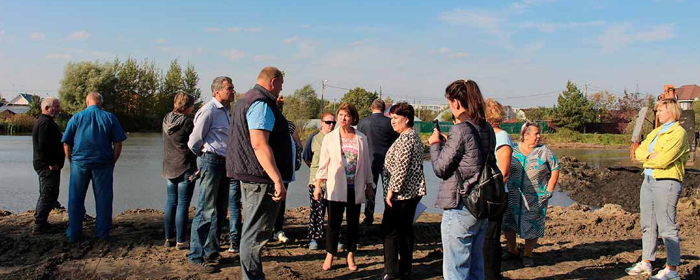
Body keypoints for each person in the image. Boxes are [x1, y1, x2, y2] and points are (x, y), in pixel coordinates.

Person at [227, 66, 292, 280]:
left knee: (252, 231)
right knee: (254, 235)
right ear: (272, 82)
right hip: (259, 179)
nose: (281, 89)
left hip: (252, 176)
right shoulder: (261, 104)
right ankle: (252, 277)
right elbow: (259, 144)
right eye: (281, 84)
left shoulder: (246, 99)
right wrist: (276, 179)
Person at [429, 80, 494, 279]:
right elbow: (473, 157)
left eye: (449, 103)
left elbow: (440, 168)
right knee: (475, 267)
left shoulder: (459, 129)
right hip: (481, 204)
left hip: (460, 204)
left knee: (456, 270)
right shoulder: (487, 127)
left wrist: (434, 145)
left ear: (456, 102)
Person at [626, 99, 688, 280]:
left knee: (667, 227)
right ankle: (647, 262)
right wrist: (649, 156)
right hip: (648, 179)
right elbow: (638, 152)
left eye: (660, 110)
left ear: (671, 111)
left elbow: (663, 161)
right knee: (648, 224)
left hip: (667, 182)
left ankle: (672, 270)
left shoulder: (679, 133)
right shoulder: (656, 132)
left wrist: (649, 157)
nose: (658, 114)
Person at [314, 103, 374, 271]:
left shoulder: (361, 138)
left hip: (355, 187)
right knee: (333, 223)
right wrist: (318, 184)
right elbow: (323, 163)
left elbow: (367, 164)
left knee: (353, 223)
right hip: (336, 186)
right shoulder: (330, 138)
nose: (343, 118)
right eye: (340, 115)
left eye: (346, 115)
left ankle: (350, 254)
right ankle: (330, 254)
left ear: (353, 118)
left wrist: (369, 184)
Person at [62, 92, 127, 242]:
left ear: (87, 102)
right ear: (101, 103)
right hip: (103, 163)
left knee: (75, 199)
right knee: (104, 199)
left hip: (79, 163)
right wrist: (113, 161)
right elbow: (118, 143)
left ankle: (74, 233)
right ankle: (102, 233)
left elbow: (66, 143)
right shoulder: (109, 117)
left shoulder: (77, 117)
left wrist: (71, 161)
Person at [187, 76, 236, 272]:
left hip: (224, 163)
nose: (233, 91)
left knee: (219, 210)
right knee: (205, 210)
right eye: (229, 88)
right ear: (217, 92)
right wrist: (204, 157)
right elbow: (193, 142)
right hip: (211, 161)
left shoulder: (226, 111)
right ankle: (196, 256)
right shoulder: (208, 111)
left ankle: (212, 252)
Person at [502, 121, 560, 268]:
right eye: (536, 133)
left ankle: (528, 254)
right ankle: (512, 250)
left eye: (539, 133)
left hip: (536, 195)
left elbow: (555, 168)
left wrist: (549, 189)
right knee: (509, 223)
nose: (539, 136)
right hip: (513, 194)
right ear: (525, 135)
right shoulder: (513, 149)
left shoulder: (544, 151)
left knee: (533, 224)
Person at [380, 102, 426, 280]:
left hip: (402, 195)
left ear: (406, 119)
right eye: (391, 118)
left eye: (396, 118)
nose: (392, 122)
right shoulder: (410, 136)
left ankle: (391, 272)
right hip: (409, 193)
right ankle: (405, 269)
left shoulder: (407, 138)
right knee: (405, 232)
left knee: (390, 232)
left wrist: (391, 191)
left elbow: (401, 168)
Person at [162, 92, 197, 250]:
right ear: (187, 106)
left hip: (169, 166)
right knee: (183, 204)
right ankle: (181, 240)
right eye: (192, 106)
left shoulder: (166, 118)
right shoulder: (188, 122)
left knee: (171, 202)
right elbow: (195, 143)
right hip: (185, 166)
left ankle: (169, 237)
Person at [483, 99, 513, 280]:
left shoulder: (501, 136)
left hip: (495, 195)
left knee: (491, 238)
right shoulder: (484, 134)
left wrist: (490, 193)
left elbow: (504, 172)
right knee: (484, 237)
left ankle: (492, 275)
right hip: (483, 195)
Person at [357, 99, 399, 226]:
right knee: (388, 191)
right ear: (384, 109)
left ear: (371, 108)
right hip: (388, 161)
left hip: (370, 161)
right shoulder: (390, 122)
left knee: (370, 191)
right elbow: (396, 142)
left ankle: (368, 218)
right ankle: (389, 218)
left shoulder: (363, 123)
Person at [270, 95, 303, 244]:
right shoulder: (287, 125)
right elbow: (299, 146)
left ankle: (275, 230)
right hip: (276, 168)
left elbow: (298, 146)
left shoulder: (286, 125)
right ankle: (275, 229)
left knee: (275, 200)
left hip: (280, 169)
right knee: (277, 200)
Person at [302, 112, 336, 250]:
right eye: (328, 122)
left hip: (334, 182)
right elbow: (306, 157)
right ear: (321, 123)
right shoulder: (314, 139)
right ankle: (314, 238)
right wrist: (316, 172)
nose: (331, 125)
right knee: (316, 211)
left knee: (334, 213)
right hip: (316, 182)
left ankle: (333, 239)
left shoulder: (337, 138)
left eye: (333, 123)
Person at [31, 97, 65, 234]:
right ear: (46, 108)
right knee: (48, 193)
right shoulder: (45, 123)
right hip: (47, 166)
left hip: (46, 164)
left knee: (48, 193)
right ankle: (39, 224)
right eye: (55, 107)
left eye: (58, 106)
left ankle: (41, 220)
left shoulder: (46, 122)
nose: (58, 109)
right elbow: (44, 145)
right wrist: (51, 163)